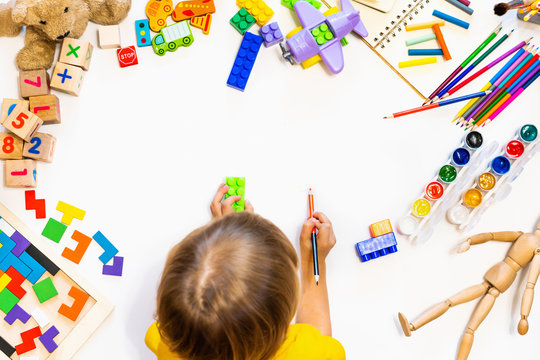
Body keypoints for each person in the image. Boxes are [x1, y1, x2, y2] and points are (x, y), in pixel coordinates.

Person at [145, 183, 345, 360]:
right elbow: (318, 337)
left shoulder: (168, 342)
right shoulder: (310, 355)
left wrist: (222, 236)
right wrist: (312, 262)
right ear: (286, 314)